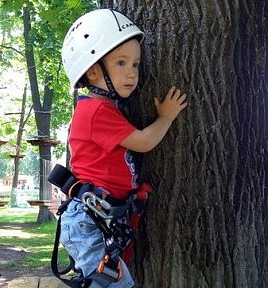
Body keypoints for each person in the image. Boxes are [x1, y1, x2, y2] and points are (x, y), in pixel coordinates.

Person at [60, 8, 187, 288]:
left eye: (136, 64)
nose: (132, 73)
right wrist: (166, 116)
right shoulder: (96, 112)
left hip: (99, 218)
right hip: (89, 221)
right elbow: (143, 142)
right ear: (93, 71)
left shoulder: (106, 108)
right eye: (121, 63)